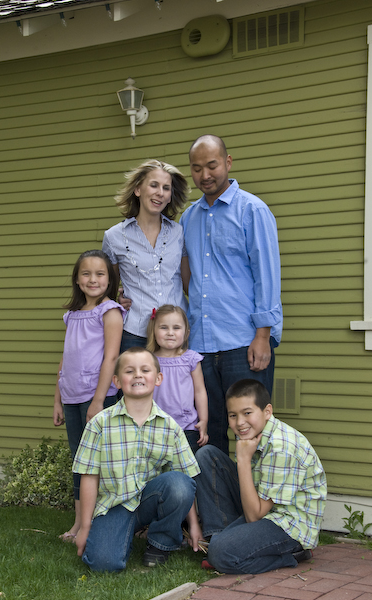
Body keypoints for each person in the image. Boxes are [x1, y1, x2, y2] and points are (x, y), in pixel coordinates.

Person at [180, 134, 283, 455]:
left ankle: (252, 491)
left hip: (244, 342)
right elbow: (184, 276)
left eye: (212, 165)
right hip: (201, 345)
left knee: (251, 432)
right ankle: (217, 491)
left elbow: (267, 275)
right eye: (197, 168)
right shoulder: (188, 218)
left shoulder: (252, 210)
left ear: (227, 162)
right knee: (208, 433)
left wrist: (263, 335)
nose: (205, 175)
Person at [72, 347, 202, 572]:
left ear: (158, 378)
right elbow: (89, 477)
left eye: (145, 370)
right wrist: (84, 527)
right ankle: (118, 534)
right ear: (117, 381)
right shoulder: (100, 424)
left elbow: (185, 480)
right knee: (104, 564)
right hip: (114, 505)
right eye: (129, 371)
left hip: (149, 500)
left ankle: (160, 544)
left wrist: (194, 525)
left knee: (179, 483)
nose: (138, 375)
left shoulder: (170, 427)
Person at [194, 379, 327, 574]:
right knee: (207, 456)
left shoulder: (282, 448)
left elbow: (255, 516)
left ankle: (293, 554)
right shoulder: (252, 431)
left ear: (267, 411)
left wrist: (243, 459)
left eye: (247, 413)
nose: (240, 422)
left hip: (288, 524)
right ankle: (220, 538)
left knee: (222, 554)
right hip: (261, 505)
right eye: (233, 415)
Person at [53, 249, 126, 542]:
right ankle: (78, 522)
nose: (93, 279)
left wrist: (98, 400)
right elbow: (65, 359)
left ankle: (101, 522)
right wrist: (57, 399)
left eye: (100, 274)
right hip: (71, 396)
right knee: (79, 460)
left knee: (98, 461)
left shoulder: (110, 312)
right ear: (77, 279)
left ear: (110, 280)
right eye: (86, 273)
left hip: (96, 397)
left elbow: (111, 358)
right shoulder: (72, 315)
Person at [102, 159, 190, 352]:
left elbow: (188, 284)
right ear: (138, 190)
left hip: (175, 333)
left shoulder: (179, 233)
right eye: (154, 185)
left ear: (170, 196)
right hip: (134, 333)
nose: (160, 193)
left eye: (166, 188)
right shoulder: (113, 237)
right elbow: (107, 291)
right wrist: (118, 301)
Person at [146, 304, 208, 453]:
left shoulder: (191, 359)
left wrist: (204, 420)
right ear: (154, 331)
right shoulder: (148, 360)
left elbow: (200, 391)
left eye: (176, 328)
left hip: (187, 427)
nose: (170, 333)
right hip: (155, 427)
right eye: (164, 327)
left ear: (186, 333)